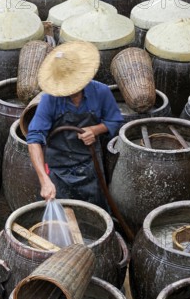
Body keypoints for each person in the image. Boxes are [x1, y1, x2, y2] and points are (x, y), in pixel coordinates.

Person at [26, 41, 124, 211]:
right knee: (60, 218)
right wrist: (44, 180)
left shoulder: (101, 92)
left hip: (90, 165)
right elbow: (34, 139)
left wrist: (95, 130)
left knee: (95, 215)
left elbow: (115, 121)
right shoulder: (50, 99)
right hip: (58, 170)